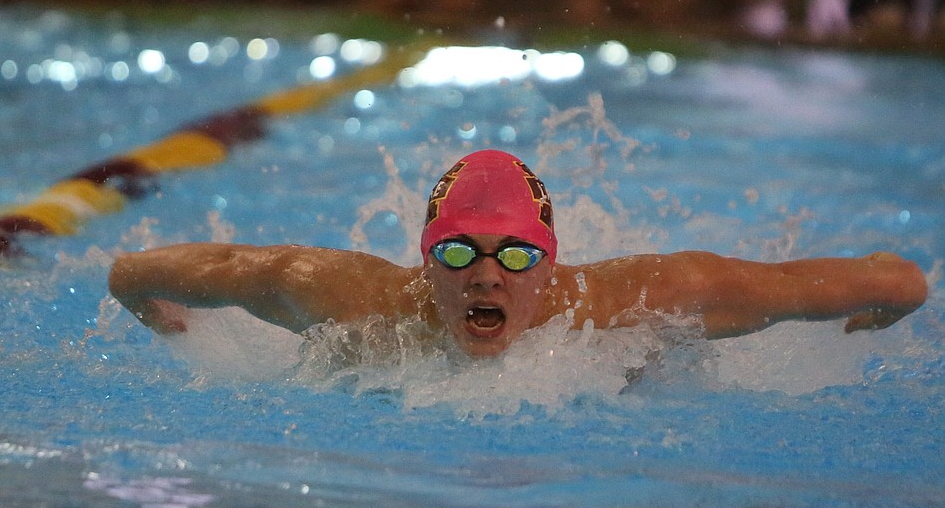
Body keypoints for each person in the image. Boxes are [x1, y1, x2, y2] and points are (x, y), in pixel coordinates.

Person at [108, 150, 928, 360]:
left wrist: (878, 310)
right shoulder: (344, 298)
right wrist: (163, 318)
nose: (487, 275)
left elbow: (900, 279)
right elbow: (132, 271)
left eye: (515, 256)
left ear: (552, 263)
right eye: (459, 252)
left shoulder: (642, 301)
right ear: (426, 261)